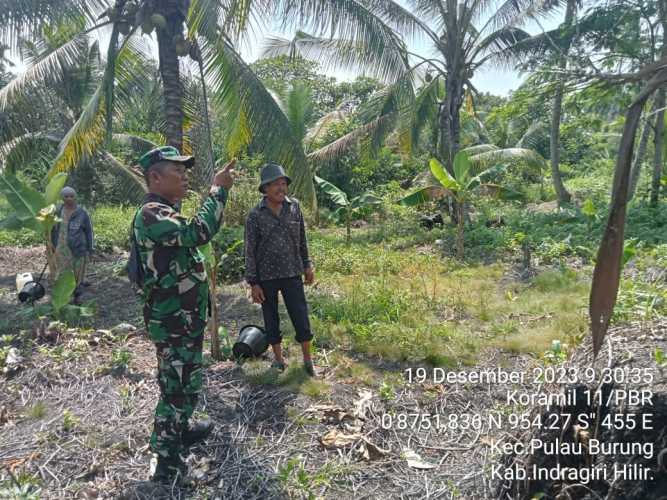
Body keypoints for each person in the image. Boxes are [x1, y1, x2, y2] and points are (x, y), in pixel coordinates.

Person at [132, 146, 234, 483]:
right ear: (156, 177)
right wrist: (218, 190)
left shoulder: (165, 211)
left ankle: (181, 430)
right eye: (178, 171)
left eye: (186, 170)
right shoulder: (151, 214)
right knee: (175, 388)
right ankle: (166, 461)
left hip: (184, 319)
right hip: (173, 321)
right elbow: (198, 232)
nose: (185, 176)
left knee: (187, 383)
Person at [244, 162, 316, 377]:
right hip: (266, 277)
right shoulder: (255, 215)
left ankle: (307, 360)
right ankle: (278, 360)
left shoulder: (294, 207)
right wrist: (253, 283)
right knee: (271, 318)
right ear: (265, 188)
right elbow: (249, 250)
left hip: (292, 271)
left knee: (300, 315)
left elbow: (302, 238)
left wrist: (307, 264)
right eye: (275, 184)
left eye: (283, 183)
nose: (280, 188)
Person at [50, 186, 93, 304]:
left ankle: (78, 296)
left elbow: (89, 232)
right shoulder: (58, 211)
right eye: (66, 196)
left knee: (78, 273)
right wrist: (52, 246)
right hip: (62, 248)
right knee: (64, 272)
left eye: (71, 196)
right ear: (62, 198)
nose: (69, 198)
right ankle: (66, 296)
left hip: (78, 248)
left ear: (75, 197)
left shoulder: (82, 213)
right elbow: (53, 229)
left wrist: (90, 249)